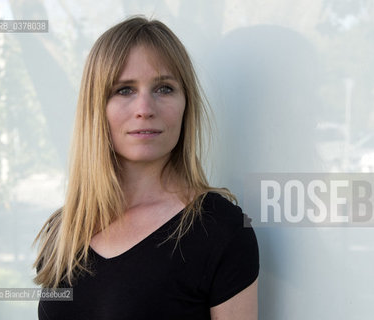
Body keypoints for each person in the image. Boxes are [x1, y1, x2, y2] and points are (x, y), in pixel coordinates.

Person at [33, 16, 259, 320]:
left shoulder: (221, 229)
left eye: (164, 88)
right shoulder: (64, 229)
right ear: (97, 107)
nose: (144, 109)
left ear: (185, 104)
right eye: (124, 90)